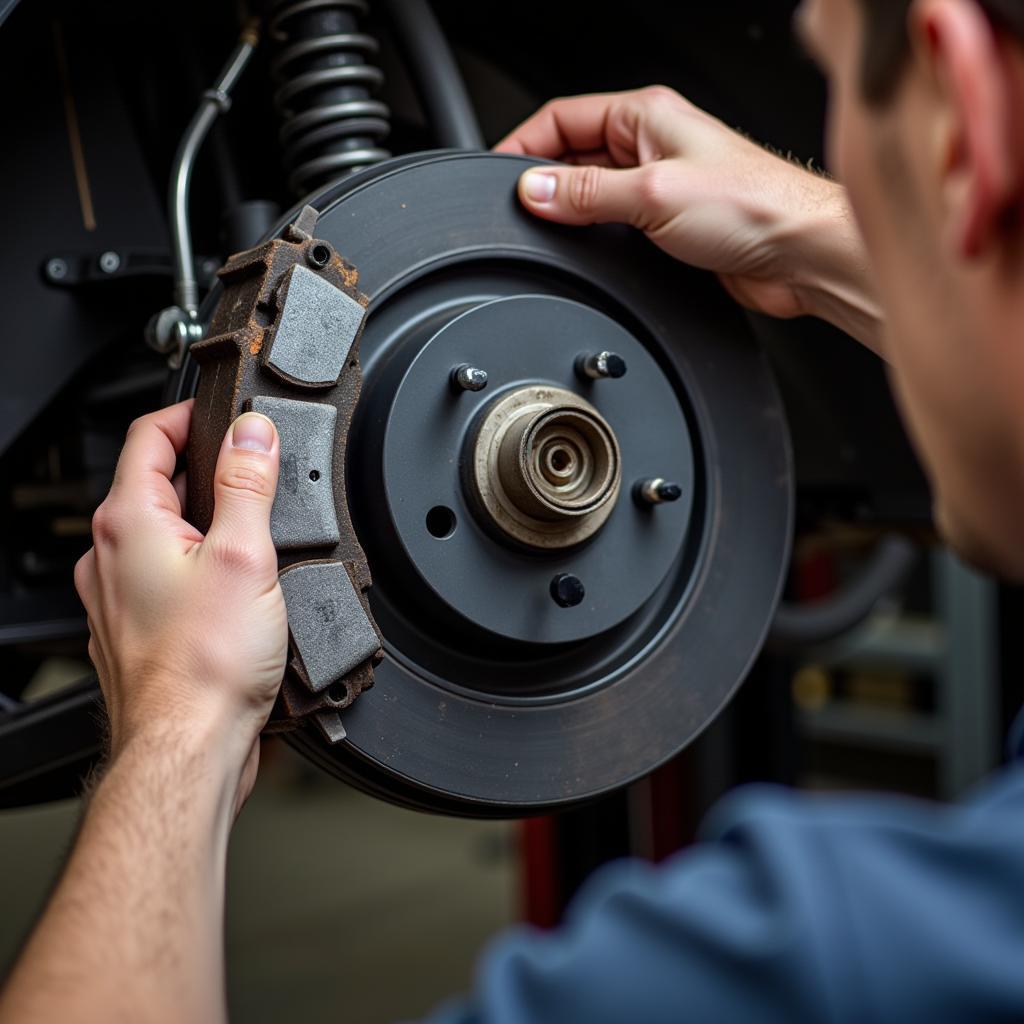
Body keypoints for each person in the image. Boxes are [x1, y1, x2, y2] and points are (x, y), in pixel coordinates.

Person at [3, 0, 1024, 1019]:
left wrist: (176, 721)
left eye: (838, 89)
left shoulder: (820, 961)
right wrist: (820, 231)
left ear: (963, 114)